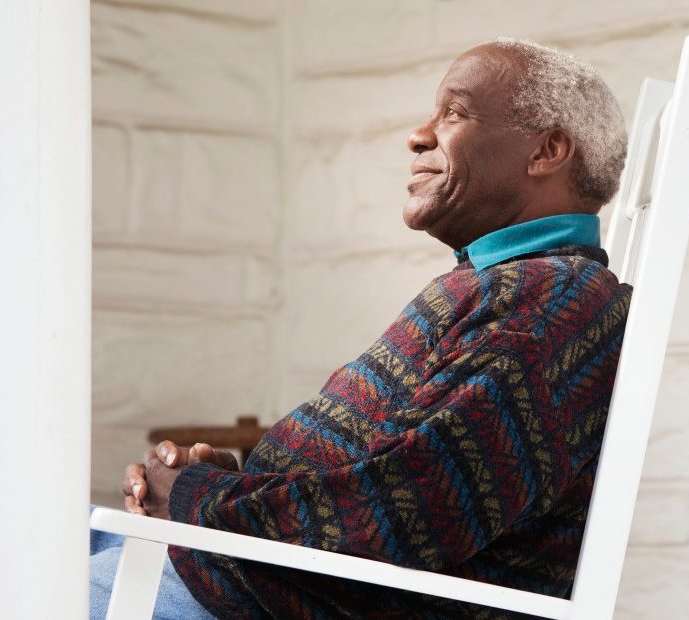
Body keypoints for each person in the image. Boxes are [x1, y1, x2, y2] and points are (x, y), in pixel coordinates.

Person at [91, 37, 632, 619]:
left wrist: (196, 497)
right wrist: (237, 482)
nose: (419, 135)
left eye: (455, 112)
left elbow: (411, 509)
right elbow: (403, 473)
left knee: (10, 564)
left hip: (274, 600)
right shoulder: (512, 283)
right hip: (254, 576)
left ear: (547, 150)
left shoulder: (548, 300)